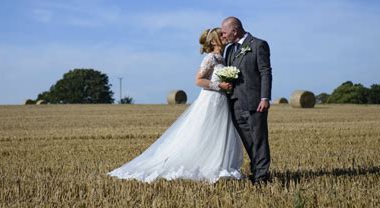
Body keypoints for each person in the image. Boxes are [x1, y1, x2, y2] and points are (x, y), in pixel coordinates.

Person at [108, 28, 244, 183]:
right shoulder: (210, 58)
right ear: (213, 41)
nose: (224, 36)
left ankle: (220, 165)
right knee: (205, 132)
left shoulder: (222, 58)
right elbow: (198, 80)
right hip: (211, 100)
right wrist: (219, 86)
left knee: (221, 133)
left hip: (221, 101)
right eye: (220, 35)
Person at [221, 17, 272, 184]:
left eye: (225, 32)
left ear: (234, 31)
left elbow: (265, 72)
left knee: (259, 139)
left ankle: (262, 177)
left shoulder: (258, 44)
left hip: (254, 101)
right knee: (248, 141)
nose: (223, 36)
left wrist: (265, 97)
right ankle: (256, 171)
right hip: (235, 103)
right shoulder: (229, 50)